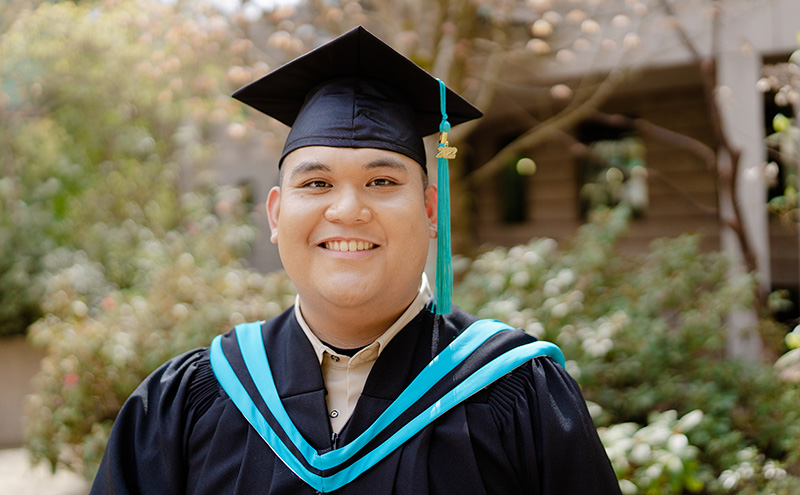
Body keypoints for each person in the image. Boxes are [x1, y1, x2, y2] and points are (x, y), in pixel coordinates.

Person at [90, 26, 622, 495]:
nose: (347, 210)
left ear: (430, 208)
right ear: (276, 216)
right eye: (317, 183)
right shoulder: (187, 402)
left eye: (382, 181)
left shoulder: (519, 394)